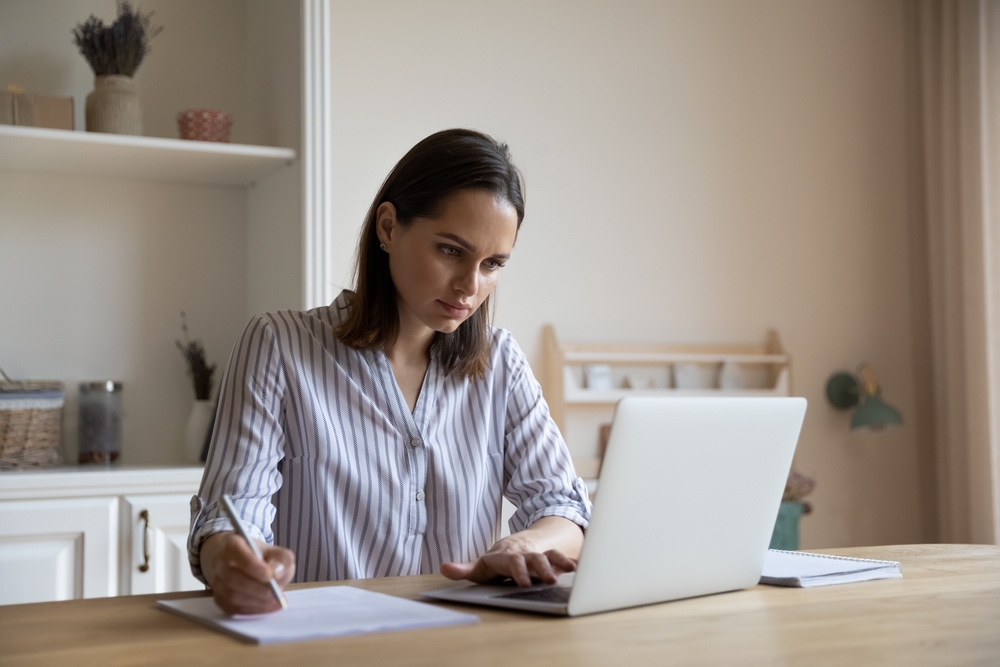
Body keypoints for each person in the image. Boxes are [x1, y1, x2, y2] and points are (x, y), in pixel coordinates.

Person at [187, 129, 592, 614]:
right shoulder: (278, 346)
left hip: (460, 645)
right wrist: (228, 559)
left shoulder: (501, 362)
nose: (470, 285)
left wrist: (525, 545)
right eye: (450, 250)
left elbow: (564, 509)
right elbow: (231, 514)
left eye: (493, 264)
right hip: (321, 647)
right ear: (388, 227)